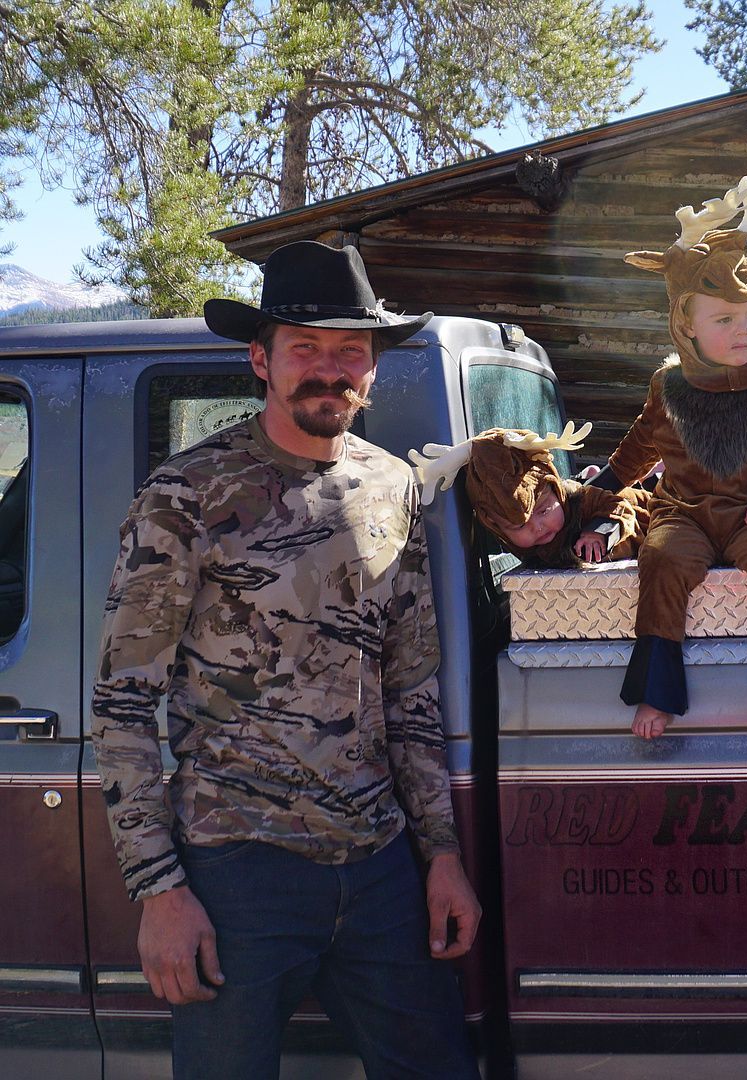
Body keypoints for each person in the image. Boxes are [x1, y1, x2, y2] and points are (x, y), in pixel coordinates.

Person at [91, 240, 481, 1079]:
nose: (329, 369)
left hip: (379, 866)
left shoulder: (393, 488)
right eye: (305, 347)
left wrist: (440, 855)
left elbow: (409, 686)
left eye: (351, 351)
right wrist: (160, 891)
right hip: (237, 870)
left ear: (372, 370)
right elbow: (123, 704)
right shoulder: (188, 495)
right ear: (260, 360)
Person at [591, 122, 747, 741]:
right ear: (688, 325)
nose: (743, 330)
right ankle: (657, 695)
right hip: (685, 514)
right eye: (725, 318)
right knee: (662, 557)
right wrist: (591, 501)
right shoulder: (669, 387)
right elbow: (635, 452)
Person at [408, 421, 651, 567]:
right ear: (499, 530)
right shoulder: (514, 534)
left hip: (650, 523)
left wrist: (598, 533)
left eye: (543, 510)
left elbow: (619, 508)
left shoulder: (578, 499)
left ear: (556, 490)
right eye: (517, 527)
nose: (538, 526)